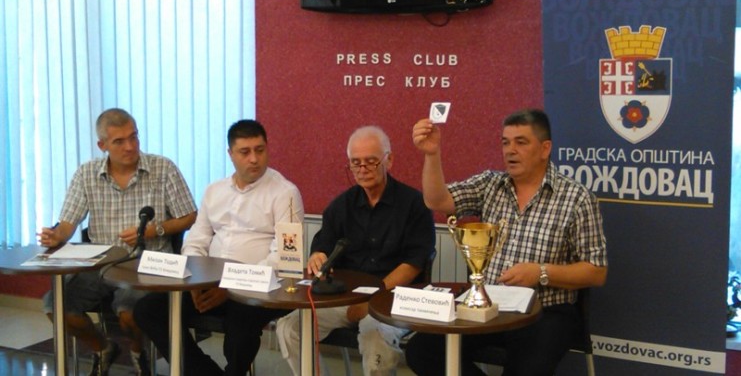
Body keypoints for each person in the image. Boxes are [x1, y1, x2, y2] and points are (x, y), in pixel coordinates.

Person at [406, 108, 608, 376]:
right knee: (422, 350)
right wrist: (432, 154)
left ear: (545, 148)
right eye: (505, 142)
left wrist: (541, 272)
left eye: (521, 142)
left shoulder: (577, 198)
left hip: (545, 310)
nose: (510, 150)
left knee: (526, 370)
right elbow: (437, 200)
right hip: (489, 305)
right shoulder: (491, 185)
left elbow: (596, 271)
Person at [134, 119, 305, 376]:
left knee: (240, 327)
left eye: (259, 150)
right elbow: (197, 239)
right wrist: (194, 281)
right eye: (245, 152)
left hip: (260, 288)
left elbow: (283, 256)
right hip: (209, 282)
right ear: (230, 154)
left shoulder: (285, 193)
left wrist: (230, 286)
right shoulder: (215, 191)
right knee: (148, 310)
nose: (254, 159)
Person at [38, 108, 197, 376]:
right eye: (119, 141)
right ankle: (103, 348)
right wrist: (57, 236)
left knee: (128, 312)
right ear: (102, 146)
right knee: (55, 305)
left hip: (147, 263)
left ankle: (138, 353)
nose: (130, 146)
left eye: (133, 137)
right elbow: (67, 223)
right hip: (100, 263)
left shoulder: (163, 168)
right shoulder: (86, 174)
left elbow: (190, 216)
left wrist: (153, 230)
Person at [276, 125, 436, 376]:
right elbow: (323, 245)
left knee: (375, 333)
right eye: (355, 163)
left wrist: (373, 300)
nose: (362, 169)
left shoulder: (415, 204)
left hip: (394, 298)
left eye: (371, 162)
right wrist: (317, 256)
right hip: (346, 297)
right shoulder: (341, 205)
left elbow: (414, 263)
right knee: (289, 328)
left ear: (389, 160)